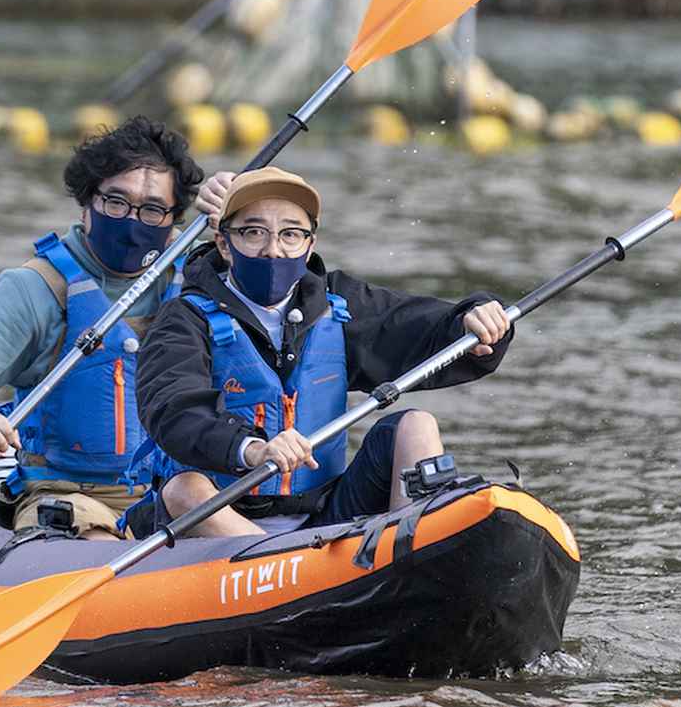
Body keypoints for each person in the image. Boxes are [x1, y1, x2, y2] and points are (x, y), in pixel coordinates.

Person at [134, 166, 513, 537]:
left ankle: (412, 552)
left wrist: (472, 318)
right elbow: (173, 409)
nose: (273, 250)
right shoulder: (183, 319)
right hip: (221, 517)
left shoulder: (339, 305)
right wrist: (250, 449)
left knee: (416, 425)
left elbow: (422, 327)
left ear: (310, 244)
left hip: (322, 515)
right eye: (253, 233)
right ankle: (280, 573)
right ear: (224, 244)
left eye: (290, 234)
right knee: (184, 490)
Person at [0, 116, 209, 540]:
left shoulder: (199, 277)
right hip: (69, 495)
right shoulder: (36, 289)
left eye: (151, 209)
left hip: (172, 493)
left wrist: (236, 210)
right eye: (116, 201)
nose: (132, 220)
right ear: (87, 202)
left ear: (172, 219)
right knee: (94, 543)